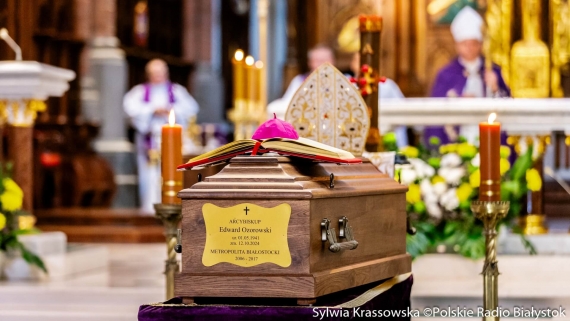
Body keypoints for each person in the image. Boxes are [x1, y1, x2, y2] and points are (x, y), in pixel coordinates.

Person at [124, 59, 199, 213]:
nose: (158, 76)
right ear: (148, 75)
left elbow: (192, 108)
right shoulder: (139, 92)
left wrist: (171, 110)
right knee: (150, 176)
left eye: (161, 73)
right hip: (150, 140)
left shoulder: (177, 91)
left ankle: (173, 205)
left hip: (173, 141)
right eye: (154, 73)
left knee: (172, 170)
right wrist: (152, 110)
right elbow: (130, 109)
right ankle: (150, 208)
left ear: (166, 73)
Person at [428, 6, 510, 144]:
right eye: (465, 44)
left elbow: (508, 107)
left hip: (488, 135)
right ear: (456, 45)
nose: (469, 48)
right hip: (459, 136)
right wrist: (458, 99)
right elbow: (436, 110)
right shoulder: (446, 74)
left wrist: (495, 88)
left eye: (474, 44)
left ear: (480, 44)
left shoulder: (493, 70)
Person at [267, 44, 335, 119]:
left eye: (323, 60)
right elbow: (287, 104)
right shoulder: (299, 81)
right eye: (316, 60)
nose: (320, 65)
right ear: (309, 63)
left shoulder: (344, 81)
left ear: (332, 61)